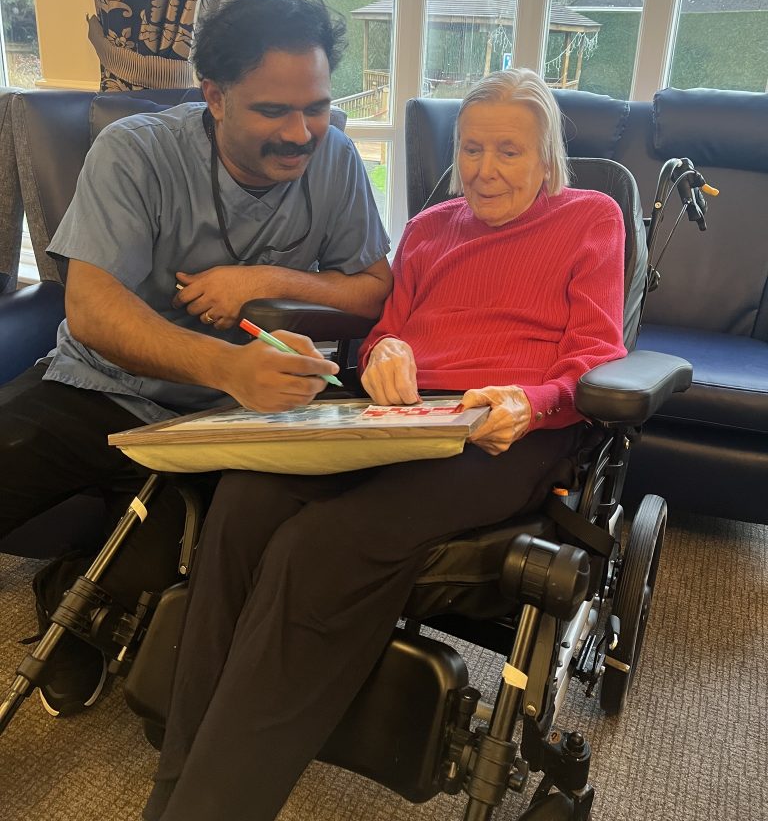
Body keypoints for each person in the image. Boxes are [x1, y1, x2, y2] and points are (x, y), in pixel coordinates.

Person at [142, 67, 628, 821]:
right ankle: (176, 784)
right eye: (471, 149)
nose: (484, 169)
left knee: (319, 544)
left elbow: (595, 352)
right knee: (242, 502)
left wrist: (527, 403)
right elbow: (388, 328)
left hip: (502, 431)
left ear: (546, 160)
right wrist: (383, 355)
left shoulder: (589, 218)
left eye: (508, 152)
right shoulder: (433, 227)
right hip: (399, 413)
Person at [0, 0, 392, 716]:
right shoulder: (136, 152)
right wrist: (227, 367)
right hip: (100, 389)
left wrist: (264, 279)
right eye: (274, 111)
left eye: (314, 106)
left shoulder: (335, 158)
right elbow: (90, 307)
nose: (303, 133)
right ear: (213, 96)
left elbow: (373, 289)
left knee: (254, 558)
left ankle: (78, 591)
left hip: (243, 420)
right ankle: (85, 588)